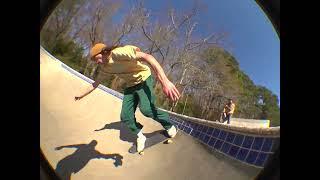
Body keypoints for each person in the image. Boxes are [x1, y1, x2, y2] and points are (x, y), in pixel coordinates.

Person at [75, 43, 181, 153]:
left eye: (98, 59)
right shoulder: (104, 68)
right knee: (125, 116)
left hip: (144, 79)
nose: (98, 62)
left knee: (147, 109)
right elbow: (95, 84)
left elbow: (147, 57)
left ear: (105, 52)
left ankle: (169, 126)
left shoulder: (119, 53)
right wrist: (82, 94)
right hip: (131, 85)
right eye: (95, 61)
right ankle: (141, 137)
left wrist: (164, 81)